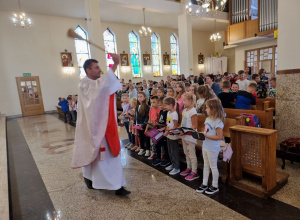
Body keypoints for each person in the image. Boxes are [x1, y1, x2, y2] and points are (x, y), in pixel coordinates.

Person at [71, 55, 130, 196]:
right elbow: (100, 89)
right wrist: (115, 64)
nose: (100, 70)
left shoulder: (95, 83)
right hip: (93, 129)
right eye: (96, 67)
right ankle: (90, 179)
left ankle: (117, 185)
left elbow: (105, 86)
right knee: (93, 156)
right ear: (88, 70)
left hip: (104, 127)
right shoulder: (85, 84)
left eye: (99, 67)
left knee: (110, 157)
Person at [196, 99, 224, 195]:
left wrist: (206, 136)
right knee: (206, 165)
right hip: (205, 145)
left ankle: (215, 185)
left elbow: (219, 137)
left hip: (213, 147)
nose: (205, 109)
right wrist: (201, 134)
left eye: (207, 108)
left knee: (213, 166)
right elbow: (206, 131)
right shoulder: (207, 119)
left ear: (213, 109)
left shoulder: (218, 122)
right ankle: (204, 183)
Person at [179, 93, 199, 181]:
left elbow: (194, 126)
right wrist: (178, 129)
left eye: (184, 101)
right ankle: (188, 168)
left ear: (190, 101)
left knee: (191, 154)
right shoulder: (185, 110)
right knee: (186, 153)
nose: (183, 102)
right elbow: (182, 123)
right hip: (184, 135)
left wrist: (185, 131)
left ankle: (194, 171)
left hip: (190, 136)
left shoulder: (193, 111)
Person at [163, 97, 181, 175]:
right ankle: (173, 164)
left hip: (173, 135)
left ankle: (177, 167)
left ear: (171, 105)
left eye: (165, 105)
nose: (164, 107)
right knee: (170, 151)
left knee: (174, 151)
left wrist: (168, 131)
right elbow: (168, 123)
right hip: (169, 134)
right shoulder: (168, 113)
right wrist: (166, 129)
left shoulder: (175, 114)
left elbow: (175, 126)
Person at [152, 97, 169, 166]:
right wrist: (156, 123)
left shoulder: (167, 112)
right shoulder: (161, 111)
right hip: (159, 130)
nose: (159, 106)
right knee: (157, 143)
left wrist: (158, 124)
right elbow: (160, 120)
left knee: (165, 146)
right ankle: (158, 158)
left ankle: (166, 159)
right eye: (159, 105)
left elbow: (166, 123)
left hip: (165, 131)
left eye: (160, 105)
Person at [135, 92, 151, 156]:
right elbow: (136, 116)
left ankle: (148, 149)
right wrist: (134, 123)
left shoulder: (147, 107)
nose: (139, 98)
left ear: (144, 98)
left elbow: (147, 117)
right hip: (138, 125)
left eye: (141, 96)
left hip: (144, 125)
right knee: (140, 137)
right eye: (138, 96)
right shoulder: (137, 106)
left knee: (146, 137)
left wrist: (144, 125)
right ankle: (142, 148)